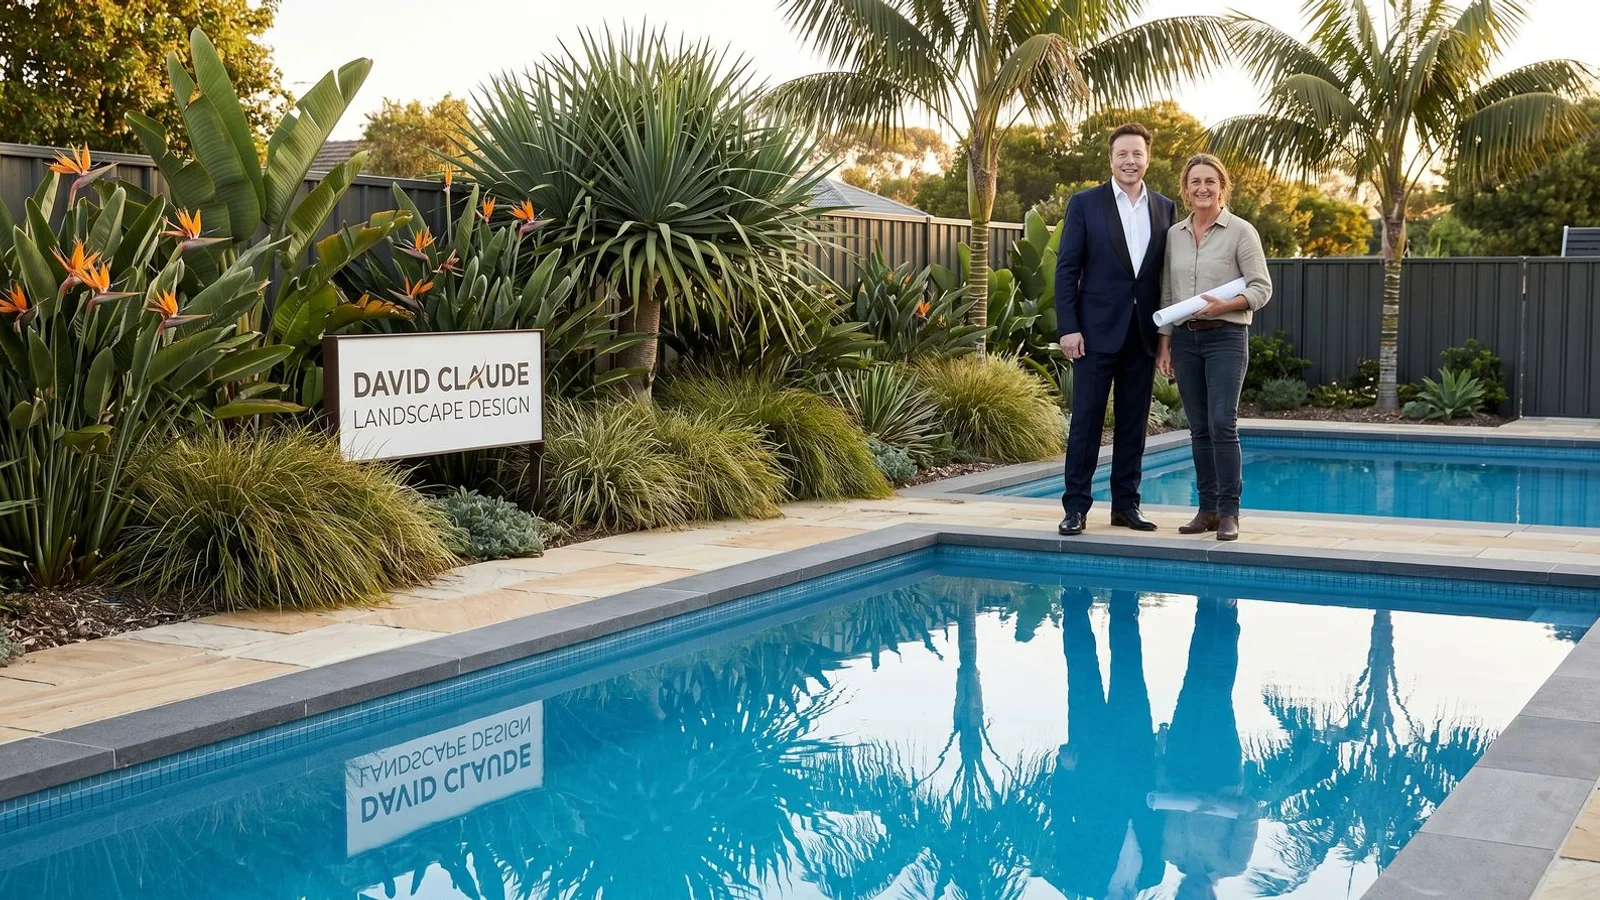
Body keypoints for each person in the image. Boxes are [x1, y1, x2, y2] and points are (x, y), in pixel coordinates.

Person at [1055, 123, 1177, 537]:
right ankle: (1075, 508)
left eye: (1137, 154)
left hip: (1141, 335)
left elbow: (1165, 278)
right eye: (1123, 154)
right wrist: (1068, 328)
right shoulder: (1085, 203)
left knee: (1132, 425)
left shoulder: (1164, 207)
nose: (1130, 161)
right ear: (1111, 159)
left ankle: (1126, 505)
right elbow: (1067, 269)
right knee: (1085, 423)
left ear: (1147, 158)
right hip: (1093, 335)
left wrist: (1166, 339)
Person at [1156, 154, 1272, 542]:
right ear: (1185, 190)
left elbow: (1261, 288)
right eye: (1195, 183)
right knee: (1199, 428)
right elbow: (1169, 293)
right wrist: (1166, 344)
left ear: (1222, 187)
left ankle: (1229, 512)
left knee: (1222, 423)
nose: (1202, 188)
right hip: (1185, 340)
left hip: (1226, 337)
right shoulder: (1174, 235)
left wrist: (1226, 305)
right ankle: (1206, 510)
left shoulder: (1241, 231)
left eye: (1210, 181)